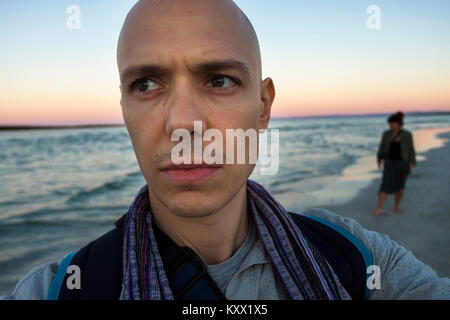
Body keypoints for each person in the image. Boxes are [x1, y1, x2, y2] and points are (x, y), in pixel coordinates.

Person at [2, 0, 449, 300]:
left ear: (263, 106)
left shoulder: (360, 260)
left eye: (218, 80)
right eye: (146, 84)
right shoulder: (58, 289)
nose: (182, 122)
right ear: (124, 109)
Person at [373, 112, 416, 217]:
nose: (391, 125)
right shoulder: (386, 134)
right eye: (390, 123)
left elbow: (411, 150)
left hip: (402, 164)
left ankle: (396, 207)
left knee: (400, 188)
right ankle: (378, 208)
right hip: (389, 164)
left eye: (393, 123)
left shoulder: (407, 135)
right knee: (385, 186)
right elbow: (381, 147)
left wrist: (412, 162)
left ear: (399, 124)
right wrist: (379, 160)